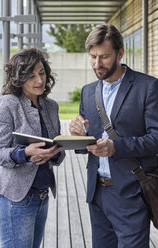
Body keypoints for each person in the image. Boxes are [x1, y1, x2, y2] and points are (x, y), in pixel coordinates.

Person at [69, 24, 158, 248]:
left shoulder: (148, 87)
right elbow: (87, 142)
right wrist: (78, 134)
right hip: (96, 193)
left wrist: (115, 147)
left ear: (120, 53)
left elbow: (156, 138)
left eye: (104, 57)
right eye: (93, 57)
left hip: (131, 193)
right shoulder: (88, 91)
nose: (97, 64)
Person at [0, 48, 65, 248]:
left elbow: (57, 149)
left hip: (42, 197)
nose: (39, 80)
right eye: (31, 76)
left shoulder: (51, 106)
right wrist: (26, 153)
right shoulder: (8, 104)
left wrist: (55, 153)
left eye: (41, 73)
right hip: (15, 199)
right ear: (19, 78)